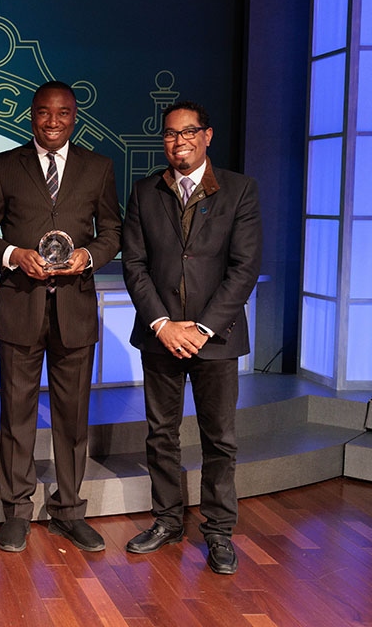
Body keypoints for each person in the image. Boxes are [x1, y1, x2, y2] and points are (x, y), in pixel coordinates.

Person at [0, 81, 121, 553]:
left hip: (75, 307)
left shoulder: (98, 168)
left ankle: (69, 510)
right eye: (43, 113)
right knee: (17, 415)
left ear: (75, 116)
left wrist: (89, 256)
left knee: (72, 418)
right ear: (31, 115)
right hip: (20, 306)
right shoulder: (3, 166)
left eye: (62, 113)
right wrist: (14, 254)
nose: (52, 121)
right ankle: (16, 510)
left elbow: (113, 230)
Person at [121, 100, 261, 575]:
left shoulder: (240, 190)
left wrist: (201, 329)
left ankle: (219, 531)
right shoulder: (144, 192)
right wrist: (163, 324)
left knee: (219, 438)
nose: (178, 141)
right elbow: (134, 265)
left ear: (207, 136)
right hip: (160, 335)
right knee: (160, 434)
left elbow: (244, 270)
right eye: (169, 134)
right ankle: (167, 520)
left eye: (188, 132)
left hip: (215, 339)